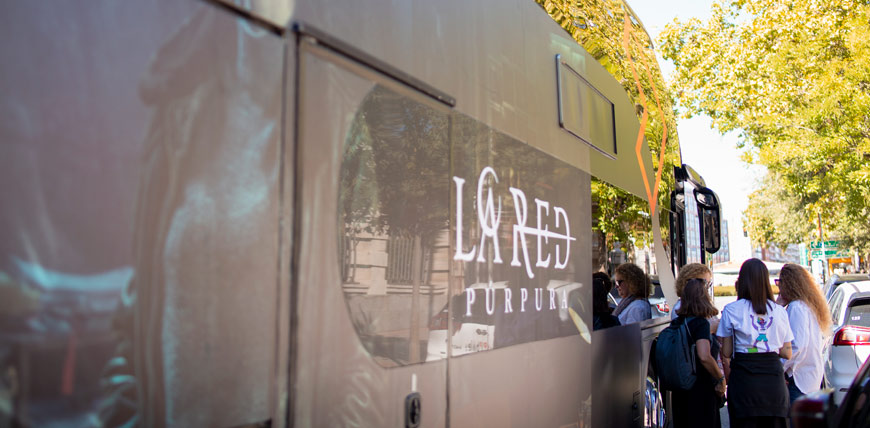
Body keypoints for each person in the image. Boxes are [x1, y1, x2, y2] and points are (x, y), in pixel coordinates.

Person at [717, 258, 793, 428]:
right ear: (766, 281)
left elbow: (727, 352)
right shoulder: (780, 311)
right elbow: (787, 352)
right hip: (774, 383)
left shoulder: (731, 310)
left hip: (744, 382)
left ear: (742, 281)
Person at [669, 278, 727, 428]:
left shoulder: (677, 322)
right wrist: (720, 379)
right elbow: (704, 356)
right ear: (704, 296)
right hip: (701, 389)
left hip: (681, 389)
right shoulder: (701, 324)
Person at [777, 264, 832, 404]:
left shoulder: (796, 308)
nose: (778, 287)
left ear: (788, 284)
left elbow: (796, 346)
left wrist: (779, 368)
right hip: (809, 376)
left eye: (779, 282)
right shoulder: (808, 305)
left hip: (798, 378)